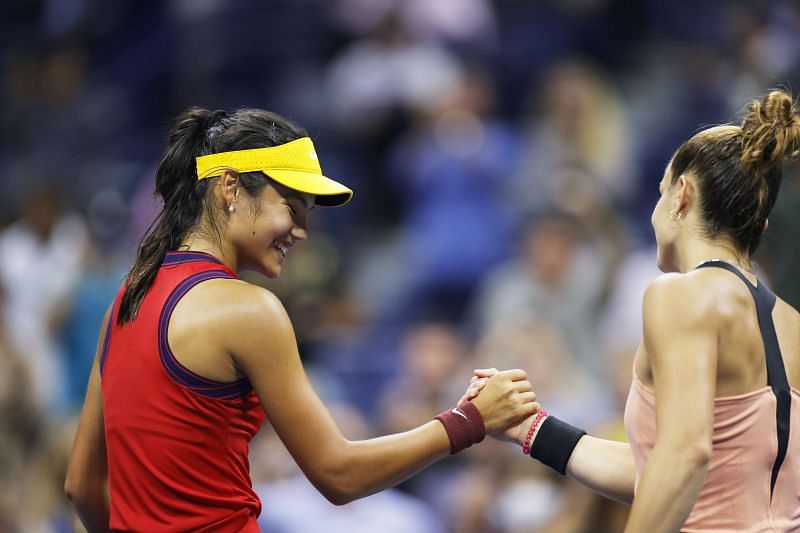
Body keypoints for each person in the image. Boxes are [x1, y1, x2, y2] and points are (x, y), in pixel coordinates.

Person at [64, 107, 539, 532]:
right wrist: (469, 421)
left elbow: (82, 486)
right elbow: (339, 474)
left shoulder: (128, 297)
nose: (302, 232)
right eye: (291, 209)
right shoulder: (248, 310)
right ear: (230, 186)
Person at [466, 89, 800, 531]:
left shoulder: (679, 294)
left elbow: (686, 455)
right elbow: (671, 470)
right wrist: (529, 429)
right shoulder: (791, 322)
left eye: (661, 192)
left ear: (682, 194)